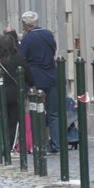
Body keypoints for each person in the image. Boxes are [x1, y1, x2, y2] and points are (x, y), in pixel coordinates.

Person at [19, 11, 59, 153]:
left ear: (25, 24)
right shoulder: (48, 34)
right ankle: (56, 144)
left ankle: (40, 144)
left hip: (36, 78)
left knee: (38, 112)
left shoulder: (28, 38)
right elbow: (54, 50)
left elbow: (21, 58)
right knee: (53, 113)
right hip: (52, 77)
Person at [0, 35, 34, 148]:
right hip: (16, 94)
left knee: (3, 121)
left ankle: (4, 145)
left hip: (1, 94)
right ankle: (10, 146)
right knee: (14, 122)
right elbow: (29, 77)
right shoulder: (19, 59)